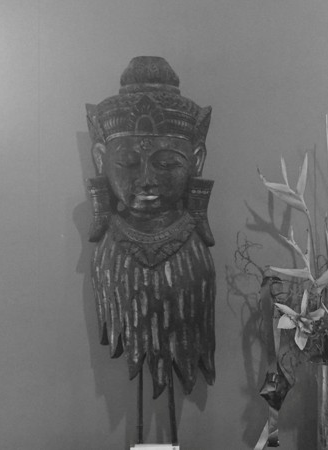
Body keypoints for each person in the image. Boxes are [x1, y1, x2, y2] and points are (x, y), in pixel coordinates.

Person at [85, 56, 215, 443]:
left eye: (166, 163)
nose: (146, 180)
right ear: (100, 160)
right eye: (127, 162)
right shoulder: (109, 254)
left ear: (196, 161)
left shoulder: (193, 256)